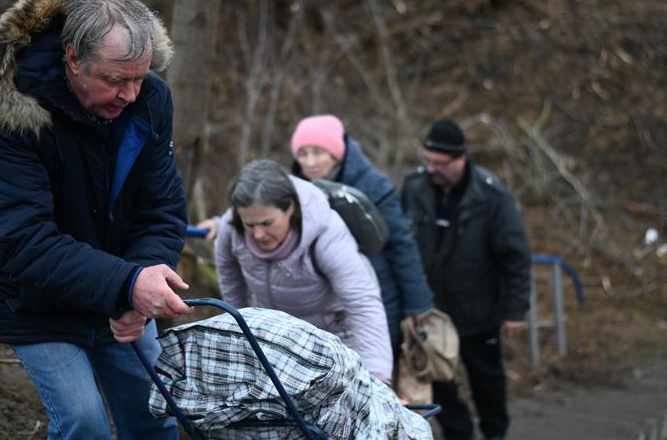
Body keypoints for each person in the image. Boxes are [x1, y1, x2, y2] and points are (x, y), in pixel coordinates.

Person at [0, 0, 191, 439]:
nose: (130, 94)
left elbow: (161, 207)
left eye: (139, 77)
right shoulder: (12, 112)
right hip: (32, 297)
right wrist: (128, 285)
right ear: (72, 59)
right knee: (84, 422)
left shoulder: (150, 100)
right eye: (114, 80)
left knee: (158, 412)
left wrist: (143, 277)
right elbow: (23, 242)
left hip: (120, 283)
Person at [400, 118, 532, 440]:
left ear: (461, 159)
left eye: (440, 163)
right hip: (431, 313)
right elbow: (400, 243)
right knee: (440, 382)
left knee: (487, 381)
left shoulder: (490, 195)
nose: (432, 168)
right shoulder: (414, 187)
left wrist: (515, 309)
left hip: (479, 310)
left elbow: (515, 254)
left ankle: (494, 434)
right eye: (427, 161)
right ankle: (459, 434)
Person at [214, 159, 393, 383]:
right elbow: (230, 283)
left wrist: (377, 376)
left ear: (290, 207)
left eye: (267, 223)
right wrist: (244, 338)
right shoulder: (232, 228)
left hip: (336, 340)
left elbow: (363, 303)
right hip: (278, 339)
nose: (258, 234)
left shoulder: (327, 235)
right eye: (250, 225)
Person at [289, 114, 434, 355]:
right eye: (303, 154)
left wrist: (418, 303)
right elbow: (263, 213)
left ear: (336, 154)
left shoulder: (373, 186)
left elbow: (401, 245)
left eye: (318, 152)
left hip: (377, 296)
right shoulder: (295, 190)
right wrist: (221, 225)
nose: (310, 162)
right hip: (322, 304)